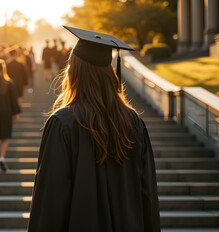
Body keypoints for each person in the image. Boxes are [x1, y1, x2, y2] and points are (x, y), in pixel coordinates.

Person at [28, 26, 161, 231]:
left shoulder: (63, 123)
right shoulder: (133, 122)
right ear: (110, 74)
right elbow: (147, 195)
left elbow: (50, 201)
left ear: (74, 71)